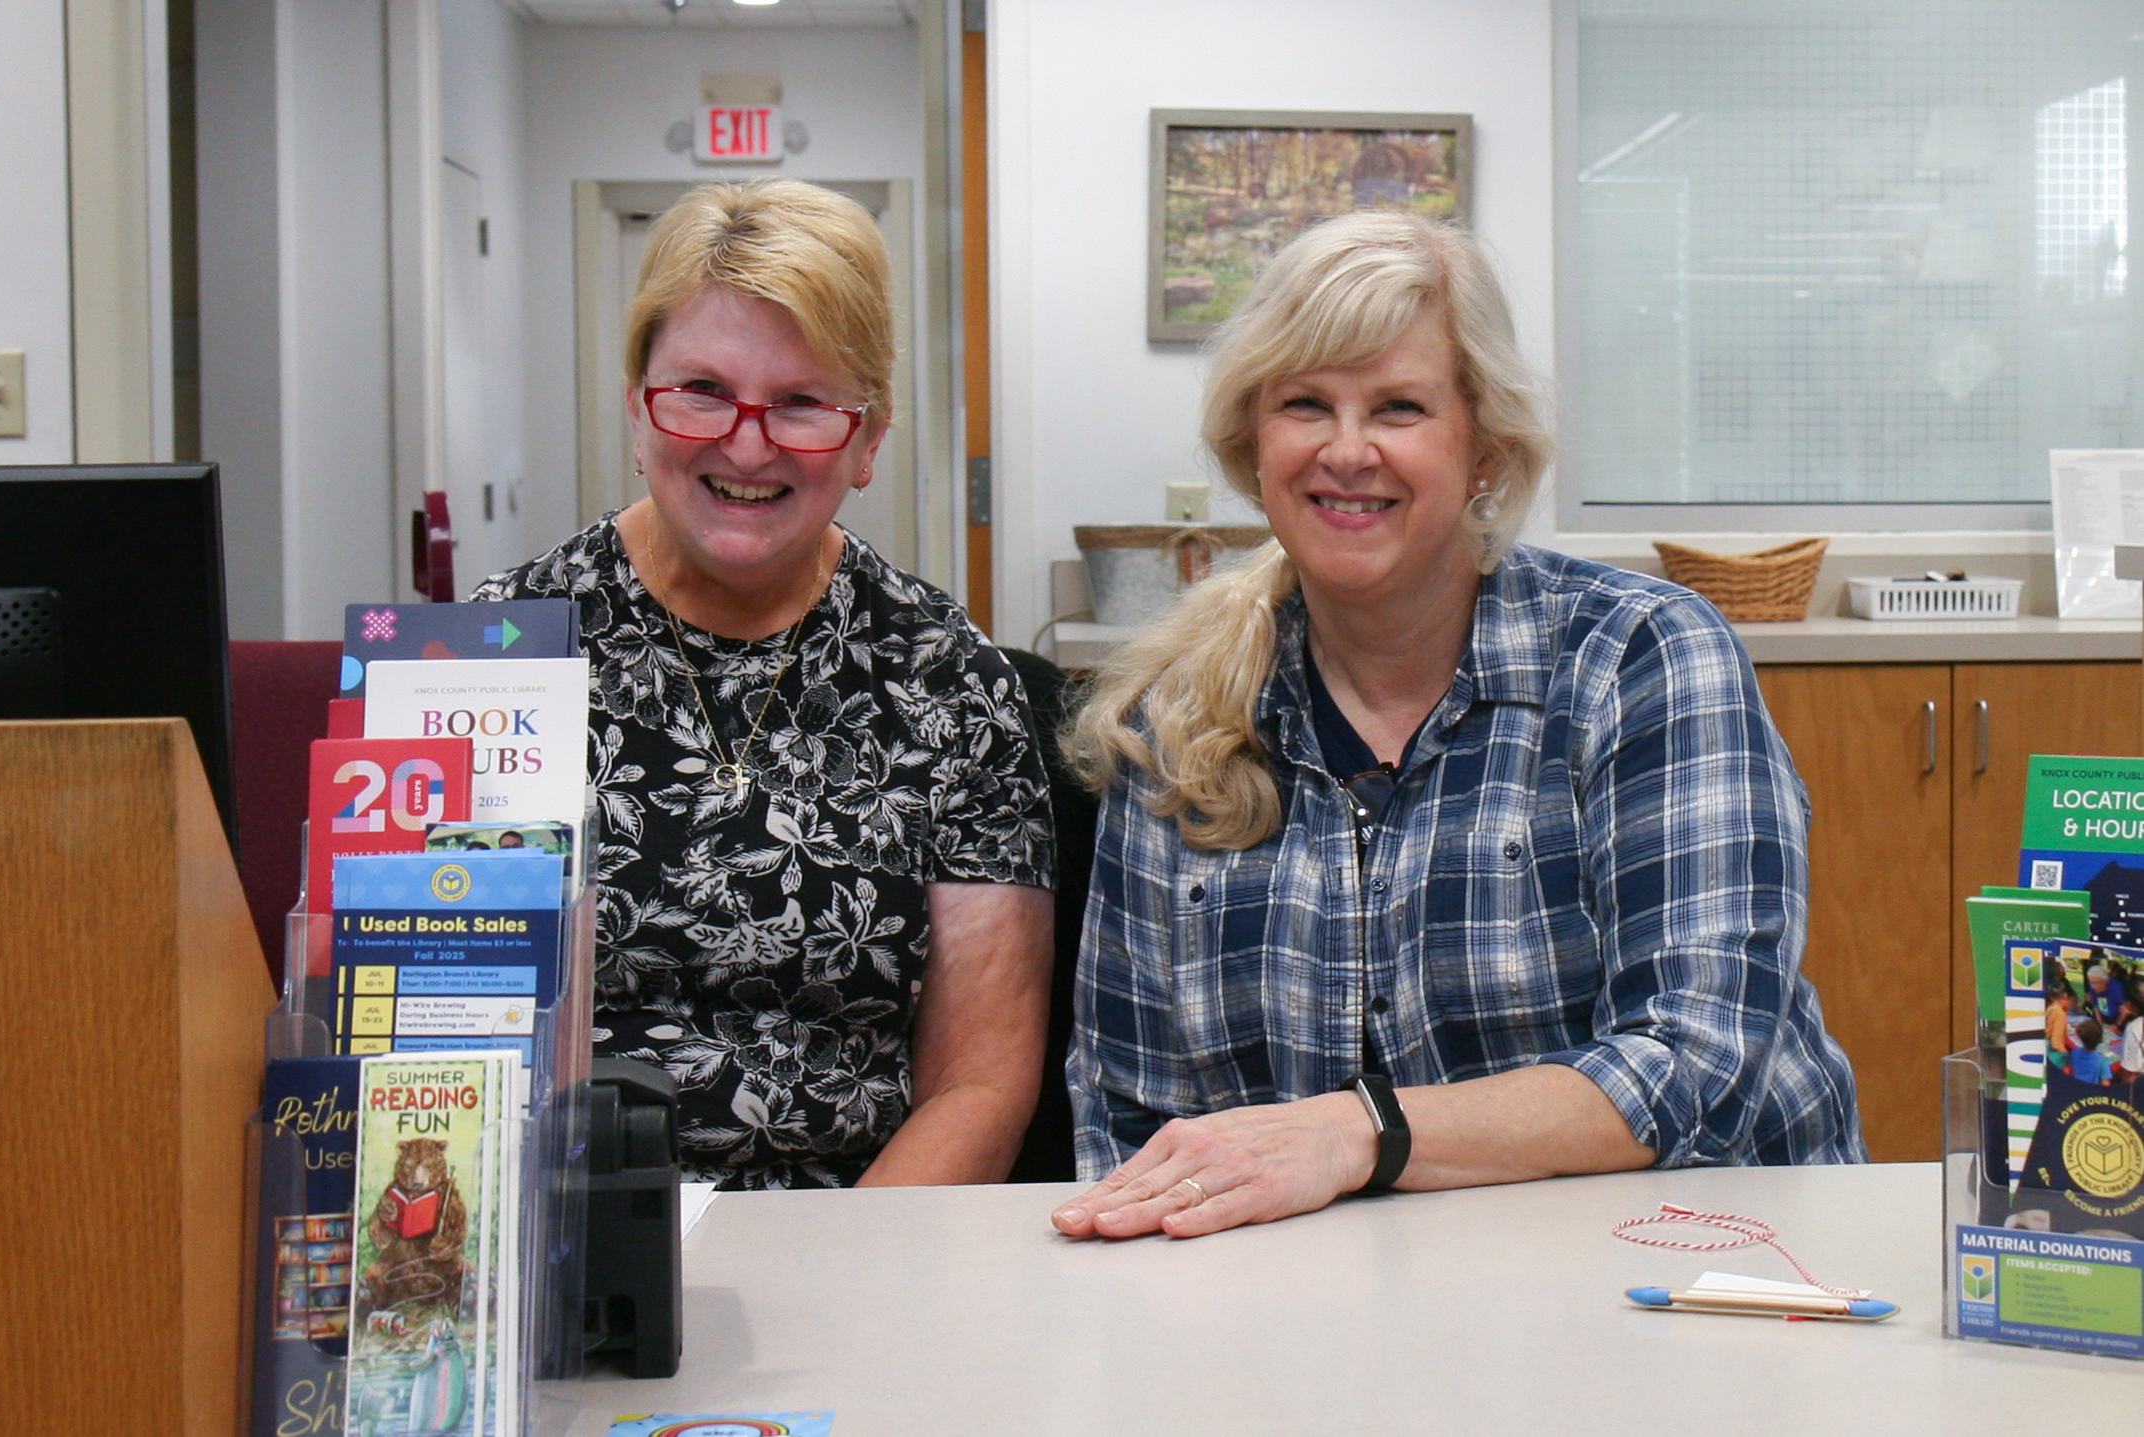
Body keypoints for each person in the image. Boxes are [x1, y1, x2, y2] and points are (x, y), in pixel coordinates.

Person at [1053, 211, 1863, 1242]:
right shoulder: (1171, 722)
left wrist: (1361, 1134)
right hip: (1335, 1301)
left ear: (1482, 449)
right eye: (1305, 404)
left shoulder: (1641, 660)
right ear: (1250, 443)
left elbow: (1695, 1061)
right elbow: (1131, 1113)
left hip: (1705, 1266)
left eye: (1398, 408)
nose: (1346, 452)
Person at [477, 179, 1055, 1189]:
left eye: (801, 404)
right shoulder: (489, 657)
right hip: (548, 1238)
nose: (746, 445)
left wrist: (845, 1293)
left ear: (868, 439)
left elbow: (979, 1088)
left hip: (857, 1242)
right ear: (635, 404)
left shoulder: (951, 683)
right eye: (701, 389)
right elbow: (421, 1036)